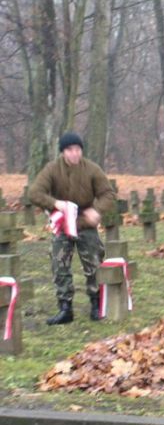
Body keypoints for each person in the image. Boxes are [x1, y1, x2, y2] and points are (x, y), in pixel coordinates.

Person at [29, 132, 116, 325]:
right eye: (70, 150)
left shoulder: (92, 169)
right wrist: (55, 203)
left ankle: (96, 304)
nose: (74, 153)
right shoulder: (52, 169)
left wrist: (97, 210)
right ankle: (65, 308)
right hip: (62, 224)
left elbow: (108, 194)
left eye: (77, 149)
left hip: (85, 223)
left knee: (94, 264)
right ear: (63, 152)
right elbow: (34, 193)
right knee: (59, 265)